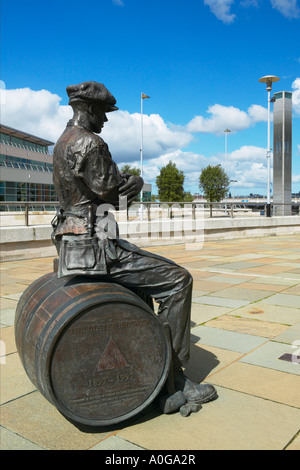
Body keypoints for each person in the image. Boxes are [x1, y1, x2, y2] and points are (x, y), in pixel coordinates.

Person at [52, 81, 217, 410]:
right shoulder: (90, 142)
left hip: (71, 241)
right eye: (103, 112)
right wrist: (137, 182)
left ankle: (149, 366)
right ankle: (176, 376)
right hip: (96, 246)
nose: (106, 120)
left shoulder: (62, 142)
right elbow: (114, 197)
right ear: (89, 109)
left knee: (142, 286)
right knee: (178, 280)